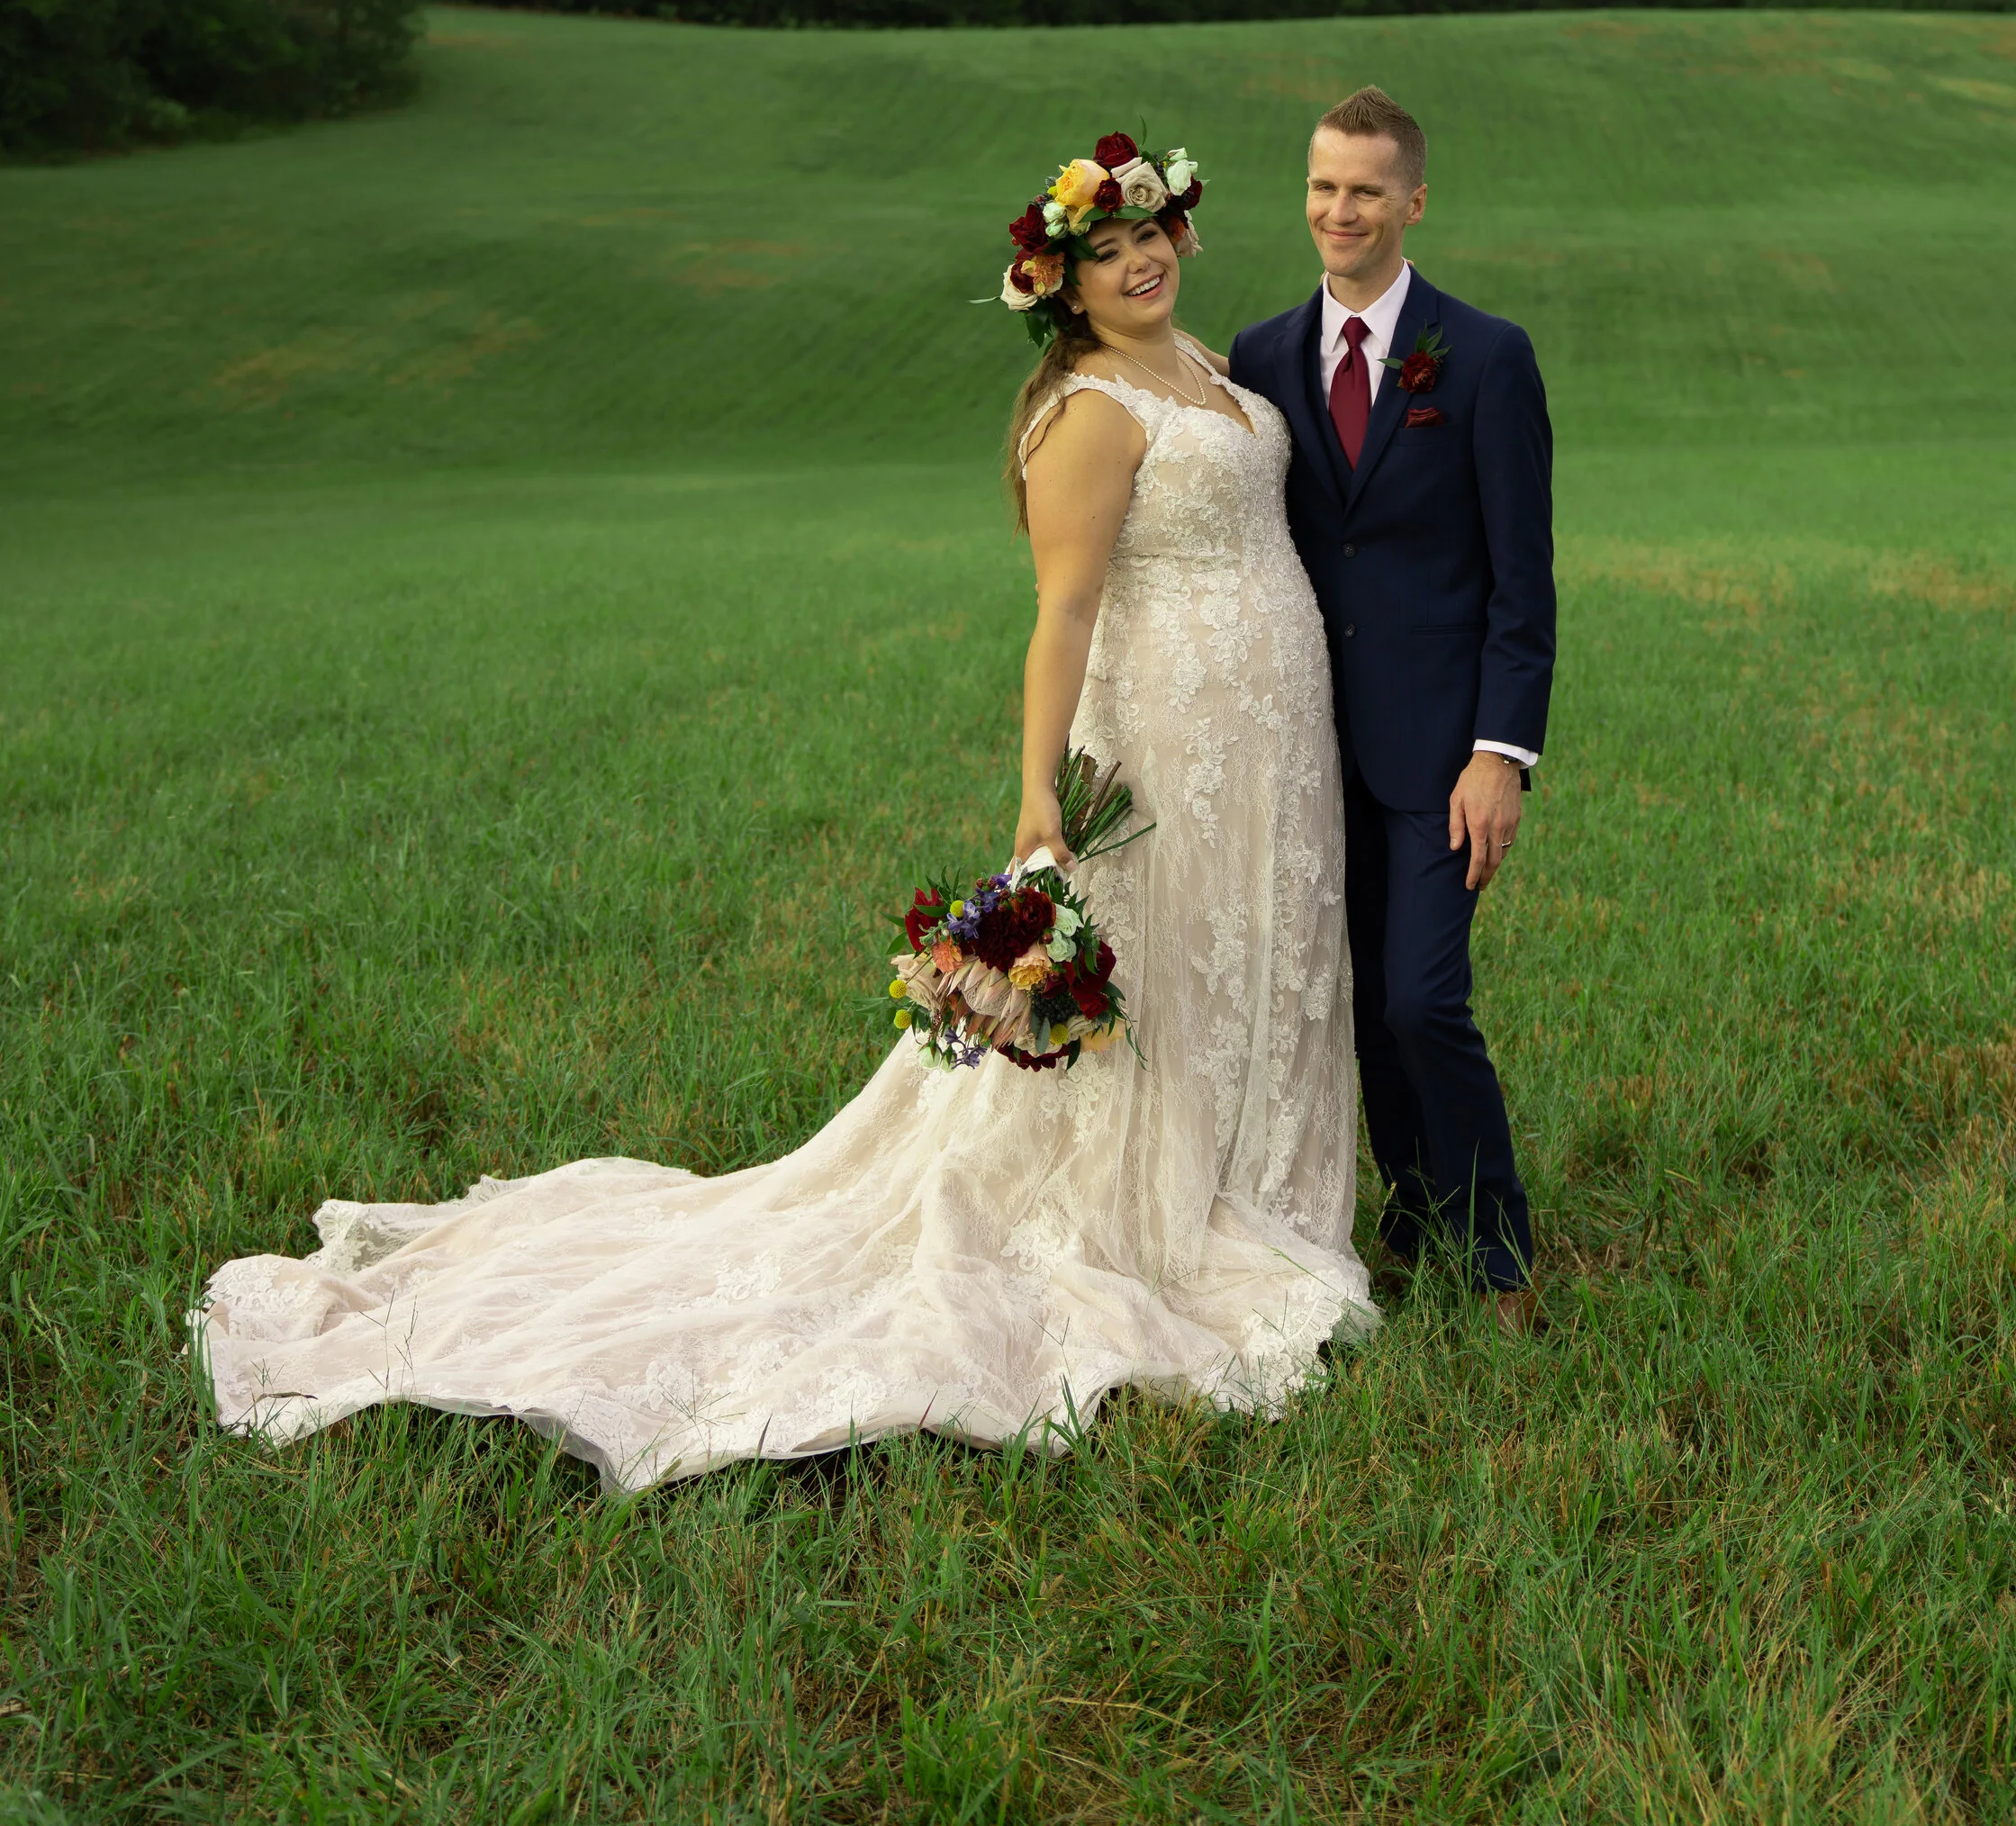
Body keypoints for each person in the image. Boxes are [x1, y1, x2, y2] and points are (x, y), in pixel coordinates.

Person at [194, 136, 1370, 1489]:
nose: (1140, 258)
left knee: (1247, 960)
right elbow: (1065, 610)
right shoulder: (1095, 409)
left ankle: (1252, 1179)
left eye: (1150, 233)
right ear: (1062, 288)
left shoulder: (1205, 365)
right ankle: (1158, 1221)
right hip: (1162, 745)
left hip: (1268, 741)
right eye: (1105, 252)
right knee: (1156, 982)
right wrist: (1040, 789)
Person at [1230, 86, 1555, 1318]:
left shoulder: (1484, 356)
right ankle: (1412, 1213)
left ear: (1413, 202)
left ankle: (1499, 1252)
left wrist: (1501, 753)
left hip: (1440, 755)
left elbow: (1523, 579)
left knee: (1424, 997)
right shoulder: (1261, 355)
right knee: (1357, 1004)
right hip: (1305, 745)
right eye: (1322, 185)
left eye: (1365, 190)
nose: (1339, 210)